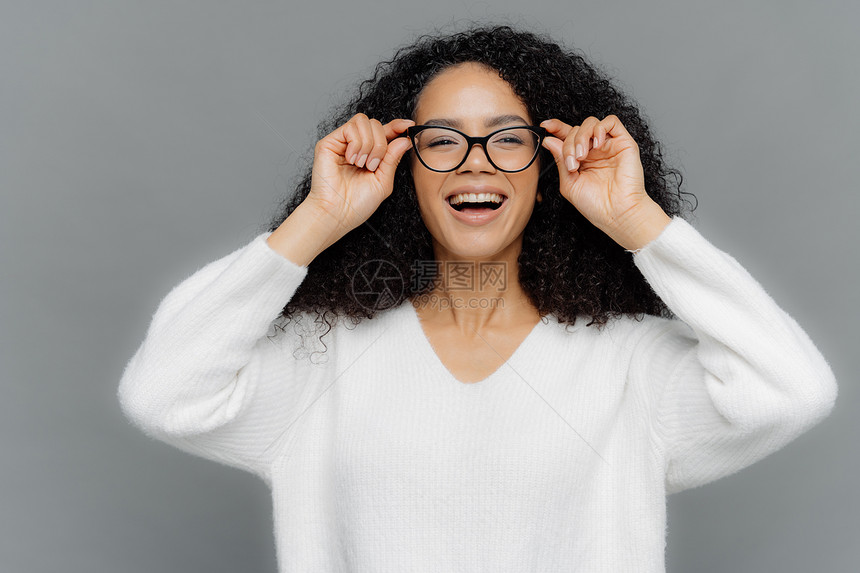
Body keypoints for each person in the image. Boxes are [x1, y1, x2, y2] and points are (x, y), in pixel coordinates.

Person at [118, 23, 837, 572]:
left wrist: (636, 219)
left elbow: (792, 390)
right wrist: (318, 219)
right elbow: (163, 393)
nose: (475, 163)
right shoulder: (321, 356)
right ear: (406, 169)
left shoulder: (630, 365)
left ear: (546, 168)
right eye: (444, 141)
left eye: (506, 140)